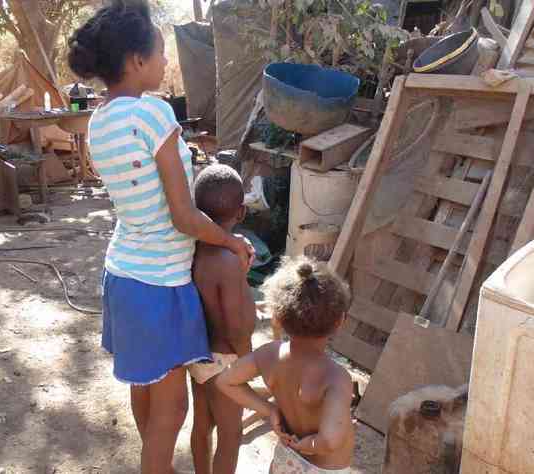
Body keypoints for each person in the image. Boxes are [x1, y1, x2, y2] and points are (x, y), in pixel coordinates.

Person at [67, 2, 254, 473]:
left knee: (146, 391)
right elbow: (185, 217)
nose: (167, 62)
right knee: (173, 412)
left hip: (123, 276)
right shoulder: (153, 113)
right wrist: (232, 243)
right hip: (159, 284)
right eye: (160, 53)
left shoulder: (98, 121)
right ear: (136, 61)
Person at [216, 258, 356, 474]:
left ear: (279, 318)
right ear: (340, 321)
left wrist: (269, 409)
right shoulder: (336, 376)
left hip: (286, 459)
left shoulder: (270, 353)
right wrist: (308, 446)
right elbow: (329, 440)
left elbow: (225, 381)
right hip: (324, 468)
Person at [189, 165, 257, 474]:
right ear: (241, 212)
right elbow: (234, 325)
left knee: (202, 424)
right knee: (231, 434)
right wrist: (248, 359)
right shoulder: (229, 261)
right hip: (226, 359)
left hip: (199, 354)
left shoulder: (193, 250)